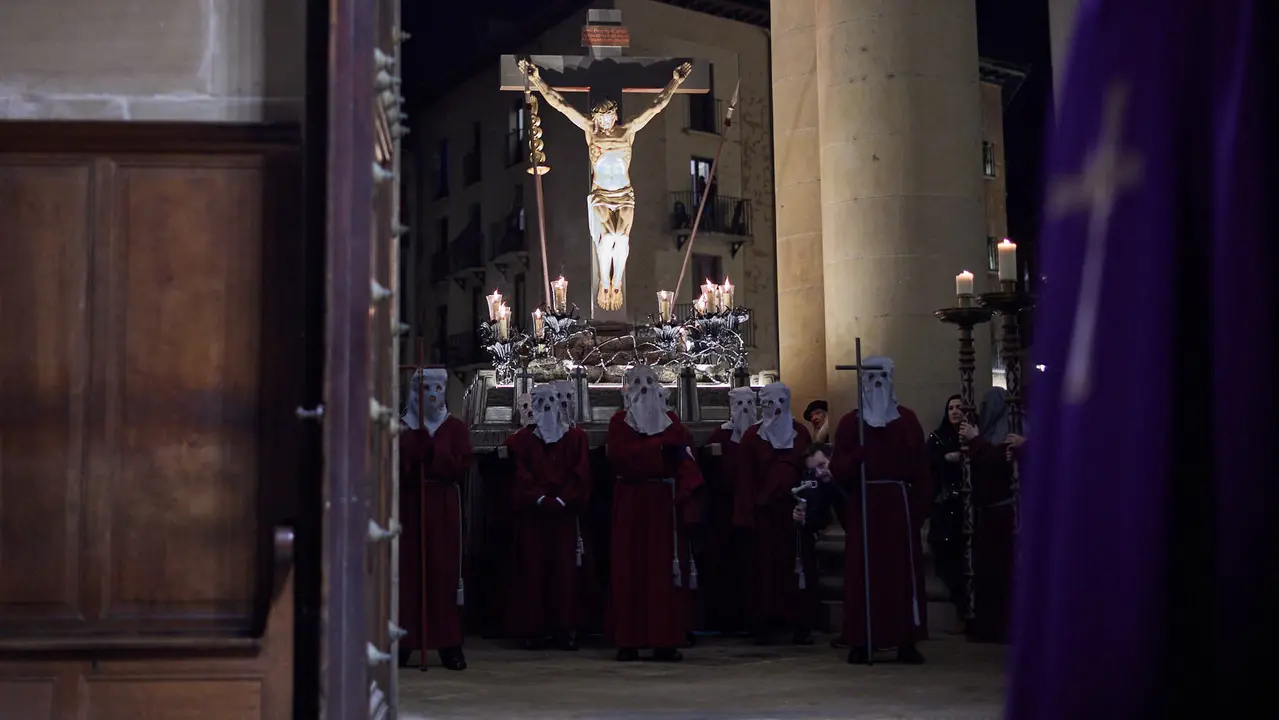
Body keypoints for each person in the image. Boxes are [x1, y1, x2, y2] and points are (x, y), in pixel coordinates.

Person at [831, 356, 931, 664]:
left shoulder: (907, 420)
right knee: (864, 572)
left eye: (882, 378)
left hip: (898, 508)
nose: (876, 385)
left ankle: (906, 639)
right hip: (865, 506)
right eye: (870, 378)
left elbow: (921, 470)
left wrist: (917, 510)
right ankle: (862, 639)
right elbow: (838, 467)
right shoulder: (851, 423)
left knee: (901, 574)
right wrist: (857, 458)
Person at [605, 365, 704, 661]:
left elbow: (687, 461)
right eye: (636, 383)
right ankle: (629, 640)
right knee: (629, 569)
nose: (644, 388)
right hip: (632, 504)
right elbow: (621, 458)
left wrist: (685, 489)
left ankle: (666, 639)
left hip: (664, 505)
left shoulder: (673, 423)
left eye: (649, 382)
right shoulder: (620, 423)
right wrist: (660, 450)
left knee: (664, 571)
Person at [505, 384, 592, 650]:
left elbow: (581, 471)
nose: (545, 406)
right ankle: (533, 628)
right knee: (532, 569)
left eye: (550, 400)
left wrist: (564, 498)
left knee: (564, 572)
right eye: (539, 401)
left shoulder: (575, 438)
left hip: (564, 515)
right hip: (535, 514)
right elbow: (519, 473)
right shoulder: (520, 440)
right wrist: (539, 498)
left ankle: (565, 628)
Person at [399, 367, 473, 671]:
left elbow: (461, 464)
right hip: (409, 505)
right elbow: (390, 464)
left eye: (437, 389)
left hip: (442, 506)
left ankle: (448, 644)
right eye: (425, 389)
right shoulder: (402, 426)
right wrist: (410, 452)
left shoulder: (453, 428)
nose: (431, 396)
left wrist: (433, 453)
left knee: (442, 574)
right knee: (408, 572)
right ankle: (404, 640)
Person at [739, 382, 817, 645]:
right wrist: (748, 513)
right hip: (765, 515)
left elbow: (810, 471)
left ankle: (800, 621)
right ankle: (763, 622)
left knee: (795, 566)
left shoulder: (800, 433)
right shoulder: (752, 437)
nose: (776, 409)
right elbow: (745, 479)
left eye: (781, 402)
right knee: (764, 569)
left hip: (794, 513)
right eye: (770, 404)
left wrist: (808, 505)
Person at [698, 386, 758, 634]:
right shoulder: (718, 437)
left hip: (756, 509)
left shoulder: (759, 435)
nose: (744, 410)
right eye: (739, 405)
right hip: (723, 512)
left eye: (748, 404)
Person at [958, 387, 1016, 644]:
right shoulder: (992, 428)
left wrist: (975, 439)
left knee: (1000, 573)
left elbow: (999, 460)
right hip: (989, 510)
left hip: (1004, 510)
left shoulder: (1008, 428)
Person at [926, 394, 969, 630]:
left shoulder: (972, 435)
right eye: (950, 407)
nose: (954, 411)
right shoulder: (937, 438)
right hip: (945, 506)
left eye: (959, 407)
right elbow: (929, 467)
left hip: (970, 507)